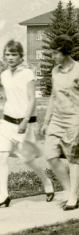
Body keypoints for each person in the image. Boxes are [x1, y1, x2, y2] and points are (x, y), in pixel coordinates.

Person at [41, 35, 79, 210]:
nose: (52, 56)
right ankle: (69, 189)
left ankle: (73, 197)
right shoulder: (55, 70)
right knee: (50, 154)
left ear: (65, 52)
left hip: (74, 119)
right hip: (57, 119)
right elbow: (53, 96)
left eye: (55, 53)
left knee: (74, 159)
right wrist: (46, 121)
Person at [0, 40, 54, 208]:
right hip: (7, 121)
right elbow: (7, 97)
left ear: (20, 56)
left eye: (14, 54)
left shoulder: (27, 73)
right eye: (7, 54)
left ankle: (47, 182)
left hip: (25, 123)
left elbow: (32, 99)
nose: (10, 58)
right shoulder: (4, 75)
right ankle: (3, 196)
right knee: (1, 157)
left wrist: (24, 120)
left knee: (28, 160)